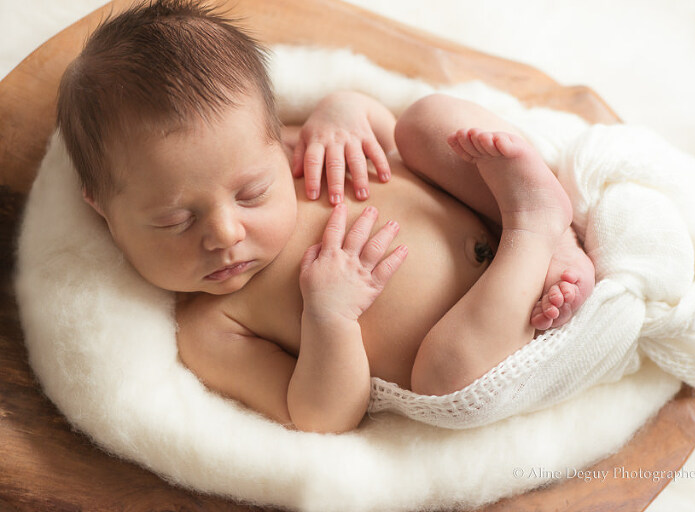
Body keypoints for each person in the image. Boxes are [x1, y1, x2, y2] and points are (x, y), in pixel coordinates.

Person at [56, 0, 594, 433]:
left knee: (425, 122)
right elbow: (320, 416)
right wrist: (328, 318)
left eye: (252, 193)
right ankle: (536, 230)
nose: (224, 233)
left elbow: (386, 140)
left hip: (490, 214)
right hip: (486, 339)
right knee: (443, 376)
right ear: (102, 208)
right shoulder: (209, 330)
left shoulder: (299, 152)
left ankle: (557, 240)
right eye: (175, 220)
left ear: (274, 140)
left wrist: (343, 110)